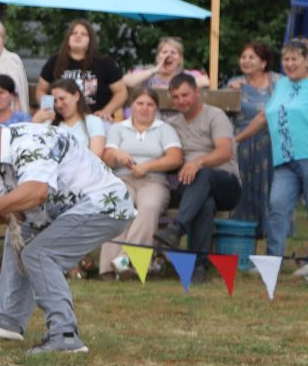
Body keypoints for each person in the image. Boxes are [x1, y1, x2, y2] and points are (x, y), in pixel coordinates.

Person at [0, 120, 135, 354]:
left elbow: (37, 191)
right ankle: (8, 318)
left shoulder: (29, 142)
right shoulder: (3, 161)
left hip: (102, 206)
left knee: (40, 254)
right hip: (64, 210)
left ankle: (65, 335)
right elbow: (17, 212)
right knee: (20, 236)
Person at [96, 88, 184, 276]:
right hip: (122, 178)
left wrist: (147, 166)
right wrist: (116, 154)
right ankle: (109, 270)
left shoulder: (164, 129)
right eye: (140, 103)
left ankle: (124, 261)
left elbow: (176, 158)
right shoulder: (118, 128)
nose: (145, 108)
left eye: (150, 104)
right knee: (119, 205)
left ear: (156, 108)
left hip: (154, 180)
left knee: (149, 206)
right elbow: (106, 158)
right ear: (131, 106)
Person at [240, 39, 308, 259]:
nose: (289, 63)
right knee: (277, 206)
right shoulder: (281, 85)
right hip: (283, 159)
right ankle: (273, 263)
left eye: (294, 59)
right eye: (286, 59)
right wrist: (237, 139)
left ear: (306, 61)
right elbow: (263, 117)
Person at [163, 74, 240, 262]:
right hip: (191, 187)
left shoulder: (215, 115)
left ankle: (177, 228)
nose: (181, 101)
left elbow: (225, 151)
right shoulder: (172, 125)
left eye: (185, 95)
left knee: (204, 173)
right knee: (206, 204)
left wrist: (198, 162)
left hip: (226, 184)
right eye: (176, 97)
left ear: (197, 93)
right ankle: (198, 267)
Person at [226, 41, 277, 225]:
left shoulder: (277, 81)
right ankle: (241, 235)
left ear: (263, 63)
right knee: (243, 189)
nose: (246, 61)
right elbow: (223, 114)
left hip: (270, 145)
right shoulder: (234, 83)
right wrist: (230, 94)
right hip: (242, 145)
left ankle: (269, 231)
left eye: (251, 57)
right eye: (243, 57)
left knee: (272, 190)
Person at [36, 18, 125, 122]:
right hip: (61, 120)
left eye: (83, 34)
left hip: (95, 119)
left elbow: (121, 91)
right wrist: (49, 109)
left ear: (90, 40)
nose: (78, 36)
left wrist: (106, 111)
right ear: (68, 39)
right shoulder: (55, 61)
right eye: (74, 33)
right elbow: (41, 89)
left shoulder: (104, 63)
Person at [124, 36, 210, 95]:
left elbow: (205, 81)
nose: (169, 55)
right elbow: (126, 81)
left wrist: (168, 88)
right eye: (164, 52)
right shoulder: (147, 75)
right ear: (158, 57)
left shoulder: (185, 75)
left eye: (173, 52)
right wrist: (154, 70)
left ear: (180, 59)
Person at [44, 81, 105, 152]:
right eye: (55, 101)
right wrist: (36, 121)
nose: (59, 105)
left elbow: (96, 156)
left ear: (76, 96)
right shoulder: (49, 123)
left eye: (62, 98)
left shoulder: (93, 121)